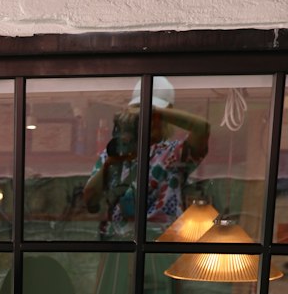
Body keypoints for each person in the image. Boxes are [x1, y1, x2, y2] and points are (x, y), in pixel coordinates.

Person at [83, 76, 210, 236]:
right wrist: (110, 164)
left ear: (167, 114)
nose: (146, 119)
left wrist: (157, 112)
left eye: (152, 114)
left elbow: (202, 128)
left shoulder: (172, 152)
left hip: (161, 244)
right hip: (118, 243)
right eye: (140, 113)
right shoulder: (116, 151)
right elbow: (90, 200)